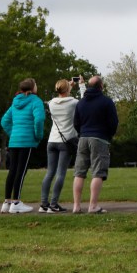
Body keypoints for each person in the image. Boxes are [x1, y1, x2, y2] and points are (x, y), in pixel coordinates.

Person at [71, 75, 119, 214]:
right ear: (101, 86)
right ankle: (92, 206)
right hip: (100, 138)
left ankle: (76, 206)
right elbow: (113, 123)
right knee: (98, 172)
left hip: (83, 138)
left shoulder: (81, 103)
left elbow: (76, 123)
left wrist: (82, 132)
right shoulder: (106, 102)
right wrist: (108, 135)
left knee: (79, 173)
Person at [40, 76, 86, 213]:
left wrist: (68, 85)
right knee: (61, 173)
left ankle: (44, 204)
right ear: (68, 89)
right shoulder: (73, 102)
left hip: (52, 140)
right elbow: (84, 102)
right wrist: (82, 85)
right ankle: (54, 204)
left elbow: (61, 96)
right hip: (66, 141)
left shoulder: (51, 103)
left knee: (50, 173)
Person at [0, 79, 45, 213]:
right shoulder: (35, 101)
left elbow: (4, 121)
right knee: (21, 170)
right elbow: (39, 120)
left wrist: (13, 133)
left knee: (12, 170)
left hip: (14, 141)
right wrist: (38, 136)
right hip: (27, 141)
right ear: (32, 88)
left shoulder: (15, 101)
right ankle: (16, 202)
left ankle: (6, 202)